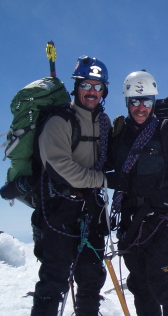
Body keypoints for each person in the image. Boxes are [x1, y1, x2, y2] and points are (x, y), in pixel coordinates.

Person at [106, 70, 168, 316]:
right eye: (135, 101)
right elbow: (109, 171)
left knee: (165, 285)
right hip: (130, 223)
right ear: (127, 101)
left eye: (146, 101)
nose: (141, 107)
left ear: (154, 102)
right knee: (140, 286)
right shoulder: (119, 135)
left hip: (163, 222)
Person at [31, 56, 111, 316]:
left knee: (90, 282)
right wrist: (102, 181)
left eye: (98, 87)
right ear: (76, 87)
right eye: (87, 85)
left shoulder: (104, 123)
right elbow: (59, 167)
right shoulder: (59, 121)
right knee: (53, 282)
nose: (92, 92)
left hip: (92, 211)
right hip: (59, 210)